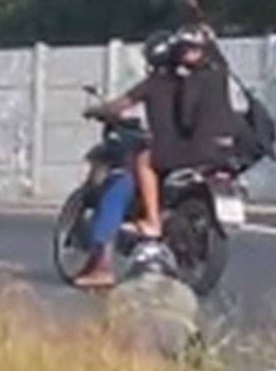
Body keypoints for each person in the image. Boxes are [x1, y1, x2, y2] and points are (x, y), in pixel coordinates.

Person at [72, 27, 240, 289]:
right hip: (210, 151)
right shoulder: (195, 79)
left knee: (124, 179)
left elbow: (120, 105)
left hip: (176, 152)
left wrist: (97, 110)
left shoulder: (154, 84)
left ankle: (111, 258)